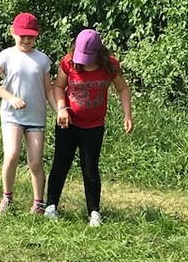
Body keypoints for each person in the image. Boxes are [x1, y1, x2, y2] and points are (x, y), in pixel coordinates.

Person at [45, 29, 133, 226]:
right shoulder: (69, 62)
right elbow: (58, 87)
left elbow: (123, 89)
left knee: (90, 167)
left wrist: (127, 114)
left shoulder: (110, 65)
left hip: (94, 126)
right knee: (61, 163)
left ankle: (94, 212)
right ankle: (51, 206)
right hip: (68, 123)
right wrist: (61, 108)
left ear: (98, 52)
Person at [0, 12, 57, 218]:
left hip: (36, 117)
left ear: (37, 36)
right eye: (22, 35)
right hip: (12, 116)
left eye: (30, 36)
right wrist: (10, 98)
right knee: (12, 155)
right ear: (12, 33)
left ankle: (38, 204)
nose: (26, 40)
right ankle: (7, 198)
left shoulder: (42, 59)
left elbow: (49, 89)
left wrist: (59, 110)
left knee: (35, 162)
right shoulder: (6, 55)